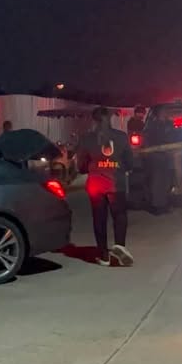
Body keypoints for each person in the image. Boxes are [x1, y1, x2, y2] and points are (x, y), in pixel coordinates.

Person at [77, 107, 135, 267]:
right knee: (120, 215)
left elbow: (81, 166)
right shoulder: (121, 137)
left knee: (99, 218)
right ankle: (120, 247)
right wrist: (121, 168)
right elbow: (130, 162)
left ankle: (103, 255)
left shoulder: (86, 139)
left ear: (93, 120)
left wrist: (91, 166)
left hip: (96, 184)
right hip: (116, 183)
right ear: (110, 119)